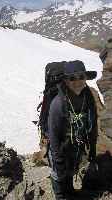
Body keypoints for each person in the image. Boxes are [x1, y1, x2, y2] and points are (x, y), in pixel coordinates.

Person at [47, 60, 99, 200]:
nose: (77, 81)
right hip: (60, 145)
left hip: (75, 144)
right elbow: (53, 133)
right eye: (72, 78)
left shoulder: (87, 97)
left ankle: (69, 193)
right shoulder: (58, 103)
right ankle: (60, 196)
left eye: (81, 77)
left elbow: (93, 123)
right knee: (59, 173)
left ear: (86, 78)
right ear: (65, 80)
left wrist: (92, 147)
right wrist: (57, 159)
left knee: (71, 168)